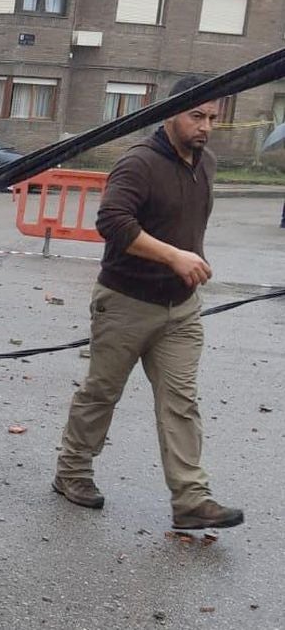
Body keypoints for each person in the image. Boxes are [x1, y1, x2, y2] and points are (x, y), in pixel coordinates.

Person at [54, 76, 243, 530]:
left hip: (181, 309)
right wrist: (174, 255)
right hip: (125, 301)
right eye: (196, 116)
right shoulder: (138, 163)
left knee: (181, 401)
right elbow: (113, 222)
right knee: (101, 393)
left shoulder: (206, 164)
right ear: (169, 114)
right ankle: (72, 472)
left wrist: (191, 257)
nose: (205, 127)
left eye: (213, 118)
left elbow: (186, 223)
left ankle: (191, 498)